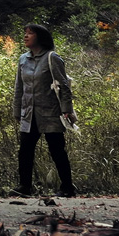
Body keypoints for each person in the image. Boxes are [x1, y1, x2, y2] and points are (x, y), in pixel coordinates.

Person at [12, 23, 77, 197]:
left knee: (57, 151)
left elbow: (63, 86)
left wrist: (66, 110)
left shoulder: (51, 57)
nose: (25, 36)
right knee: (25, 150)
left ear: (40, 37)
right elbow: (19, 87)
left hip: (50, 113)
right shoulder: (22, 59)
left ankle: (67, 187)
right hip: (29, 113)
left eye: (30, 33)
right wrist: (17, 110)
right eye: (25, 33)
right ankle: (24, 186)